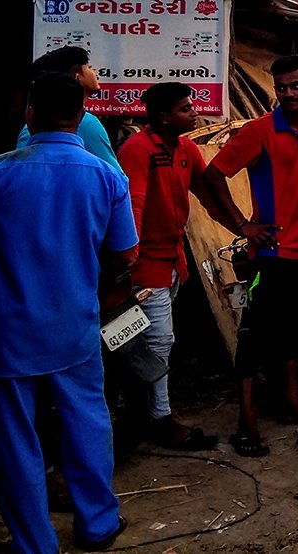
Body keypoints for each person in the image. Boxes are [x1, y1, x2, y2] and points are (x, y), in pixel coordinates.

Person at [0, 72, 137, 554]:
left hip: (6, 335)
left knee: (14, 440)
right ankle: (98, 524)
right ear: (82, 114)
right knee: (87, 424)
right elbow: (125, 253)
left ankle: (33, 542)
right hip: (75, 327)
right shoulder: (107, 177)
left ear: (29, 113)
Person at [202, 55, 298, 458]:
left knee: (294, 329)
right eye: (281, 87)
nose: (289, 94)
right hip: (271, 255)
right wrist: (243, 226)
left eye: (296, 86)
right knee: (253, 337)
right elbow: (213, 175)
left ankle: (293, 404)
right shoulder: (258, 132)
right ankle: (246, 424)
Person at [116, 83, 223, 451]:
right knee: (156, 341)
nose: (194, 113)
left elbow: (209, 191)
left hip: (172, 260)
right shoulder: (138, 150)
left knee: (149, 341)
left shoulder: (185, 149)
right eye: (185, 108)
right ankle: (158, 417)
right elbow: (135, 206)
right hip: (144, 267)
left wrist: (244, 227)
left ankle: (143, 413)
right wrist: (128, 258)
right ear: (164, 117)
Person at [16, 46, 119, 169]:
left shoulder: (28, 128)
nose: (94, 72)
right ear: (77, 78)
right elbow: (115, 178)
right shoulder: (88, 123)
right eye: (89, 67)